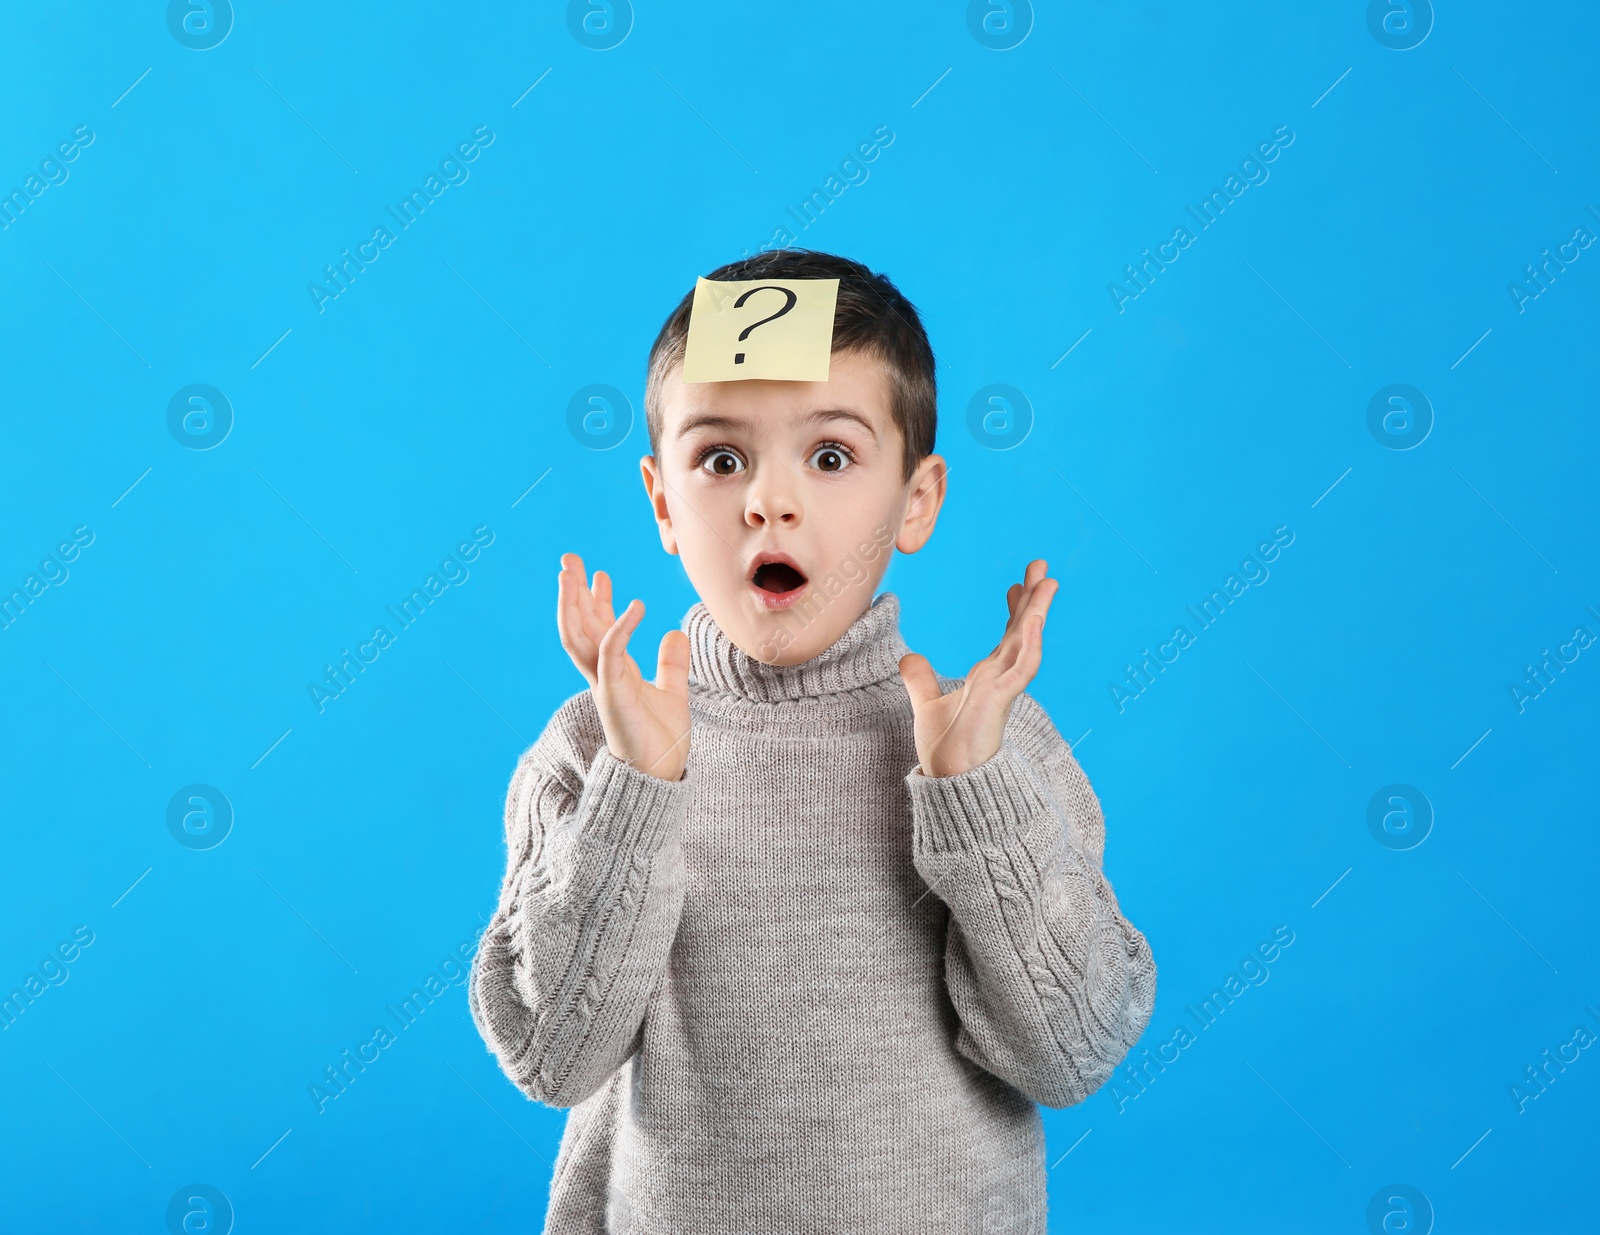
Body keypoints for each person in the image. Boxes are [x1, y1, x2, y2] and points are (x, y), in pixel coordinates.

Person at [468, 249, 1157, 1233]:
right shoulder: (597, 744)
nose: (768, 501)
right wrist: (636, 789)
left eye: (829, 456)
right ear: (663, 501)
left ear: (914, 500)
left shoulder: (990, 744)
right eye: (719, 458)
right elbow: (549, 1055)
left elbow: (1072, 1052)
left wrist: (977, 796)